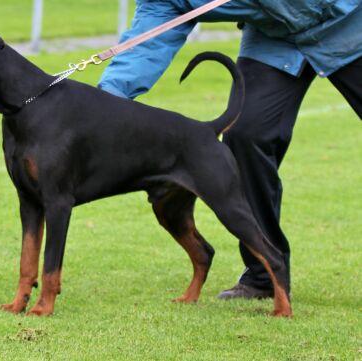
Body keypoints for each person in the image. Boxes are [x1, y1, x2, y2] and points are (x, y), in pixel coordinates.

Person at [98, 0, 362, 299]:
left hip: (349, 24)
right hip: (275, 39)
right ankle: (264, 275)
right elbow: (145, 43)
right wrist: (106, 101)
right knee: (245, 135)